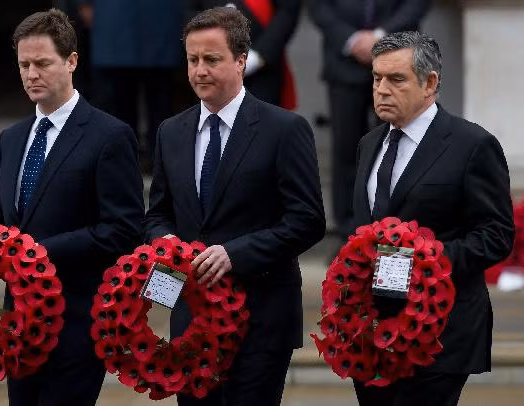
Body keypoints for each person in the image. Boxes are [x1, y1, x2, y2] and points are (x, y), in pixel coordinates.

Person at [144, 7, 326, 405]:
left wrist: (234, 254)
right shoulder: (171, 132)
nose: (199, 71)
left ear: (241, 60)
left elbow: (308, 220)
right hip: (192, 318)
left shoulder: (284, 129)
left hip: (261, 317)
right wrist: (168, 244)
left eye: (212, 59)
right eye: (193, 60)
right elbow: (157, 214)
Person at [0, 9, 145, 406]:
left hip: (76, 323)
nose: (31, 74)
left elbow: (123, 229)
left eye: (42, 63)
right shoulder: (11, 139)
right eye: (24, 65)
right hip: (19, 323)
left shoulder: (109, 136)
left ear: (72, 60)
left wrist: (38, 253)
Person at [351, 31, 514, 406]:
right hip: (372, 332)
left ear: (430, 83)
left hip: (441, 330)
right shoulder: (369, 143)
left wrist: (421, 262)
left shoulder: (472, 145)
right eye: (377, 78)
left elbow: (496, 235)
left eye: (396, 79)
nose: (382, 89)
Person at [308, 0, 431, 239]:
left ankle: (394, 229)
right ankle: (349, 234)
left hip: (400, 60)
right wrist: (353, 40)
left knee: (397, 145)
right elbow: (319, 7)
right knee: (346, 148)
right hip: (343, 62)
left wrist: (380, 37)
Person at [78, 0, 185, 172]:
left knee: (158, 102)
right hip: (119, 19)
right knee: (119, 103)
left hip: (152, 18)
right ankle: (126, 160)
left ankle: (155, 160)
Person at [186, 0, 301, 109]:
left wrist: (258, 55)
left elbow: (287, 10)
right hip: (209, 65)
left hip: (261, 70)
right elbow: (189, 9)